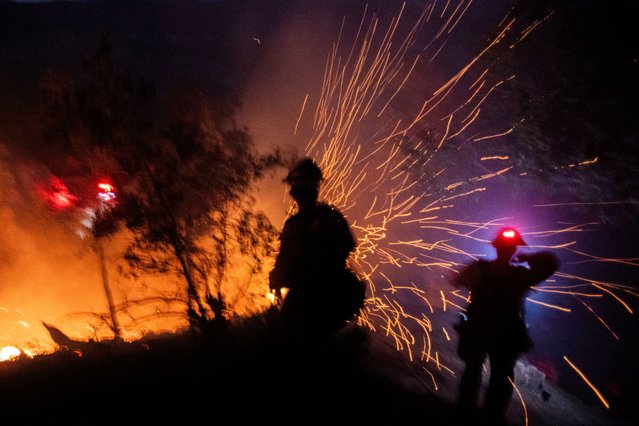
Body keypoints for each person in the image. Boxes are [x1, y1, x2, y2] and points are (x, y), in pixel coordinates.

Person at [454, 227, 560, 424]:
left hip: (479, 327)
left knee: (473, 372)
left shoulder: (478, 268)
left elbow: (456, 280)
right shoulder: (521, 275)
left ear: (495, 247)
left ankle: (464, 414)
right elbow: (551, 263)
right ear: (513, 250)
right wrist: (528, 258)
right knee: (500, 378)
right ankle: (490, 418)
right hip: (505, 333)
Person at [269, 157, 365, 341]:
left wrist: (276, 281)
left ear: (294, 192)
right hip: (334, 303)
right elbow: (350, 245)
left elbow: (285, 265)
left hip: (305, 305)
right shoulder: (333, 217)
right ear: (316, 189)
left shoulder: (295, 226)